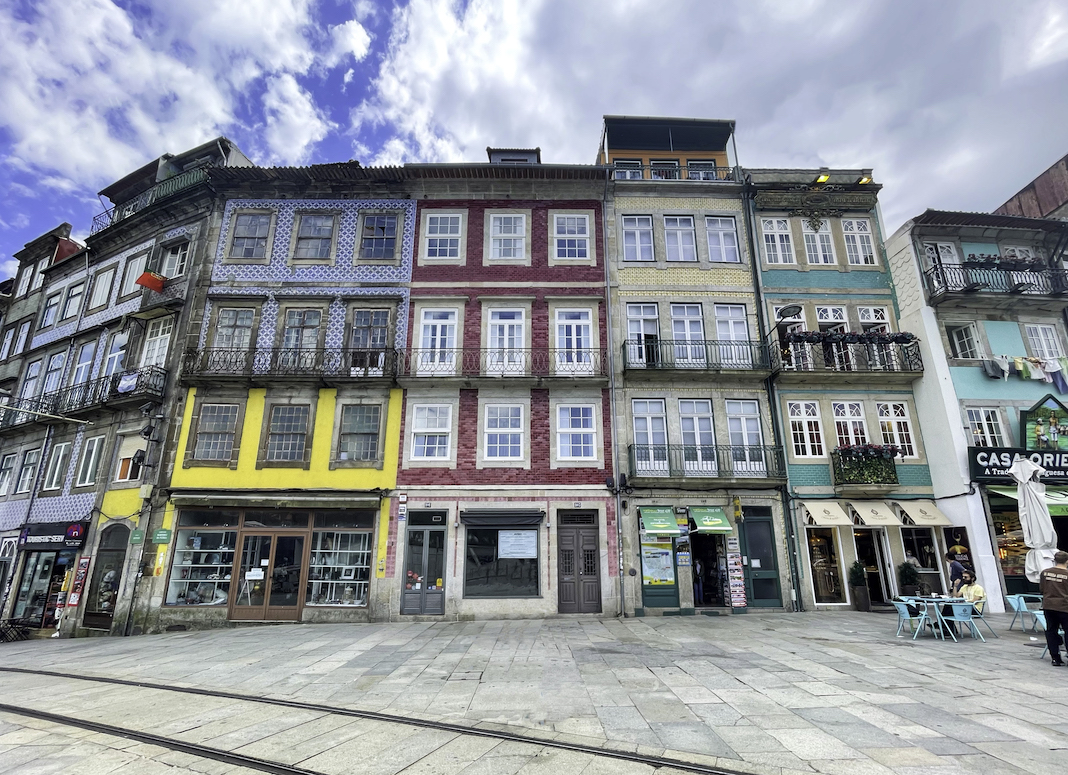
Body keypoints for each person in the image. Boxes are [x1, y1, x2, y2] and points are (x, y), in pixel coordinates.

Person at [1039, 550, 1068, 667]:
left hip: (1049, 605)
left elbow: (1042, 588)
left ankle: (1055, 658)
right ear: (1067, 561)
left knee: (1051, 630)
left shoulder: (1045, 573)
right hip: (1064, 606)